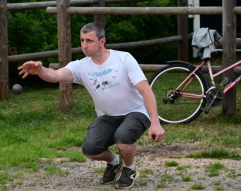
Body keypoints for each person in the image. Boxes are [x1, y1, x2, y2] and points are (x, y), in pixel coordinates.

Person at [18, 22, 165, 189]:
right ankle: (115, 162)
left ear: (102, 42)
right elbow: (56, 75)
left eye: (89, 41)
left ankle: (129, 169)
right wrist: (41, 70)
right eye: (82, 41)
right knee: (90, 149)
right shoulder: (81, 66)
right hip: (108, 116)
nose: (84, 46)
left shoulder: (123, 59)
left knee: (123, 137)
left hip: (136, 111)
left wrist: (155, 122)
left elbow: (146, 91)